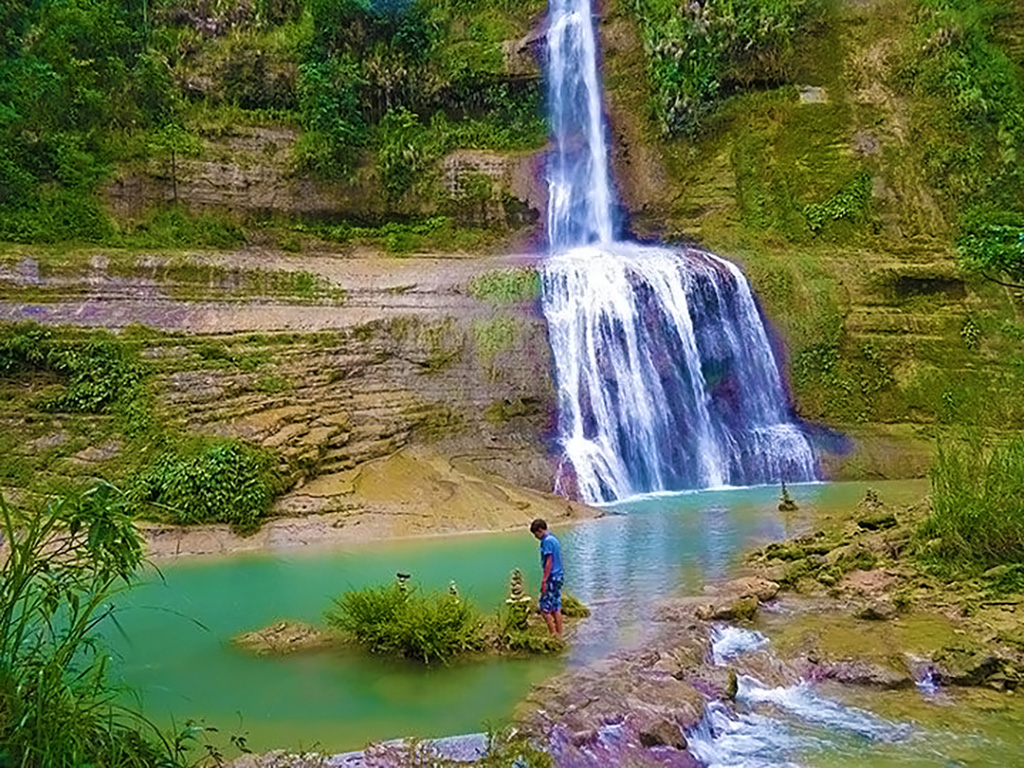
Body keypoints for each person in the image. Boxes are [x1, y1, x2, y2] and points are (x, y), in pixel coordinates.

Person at [530, 518, 564, 637]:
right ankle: (559, 634)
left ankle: (552, 635)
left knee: (544, 609)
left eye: (535, 534)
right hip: (559, 576)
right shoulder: (553, 538)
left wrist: (544, 580)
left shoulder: (546, 541)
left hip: (551, 577)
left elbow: (549, 561)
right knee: (555, 607)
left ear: (539, 530)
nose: (536, 537)